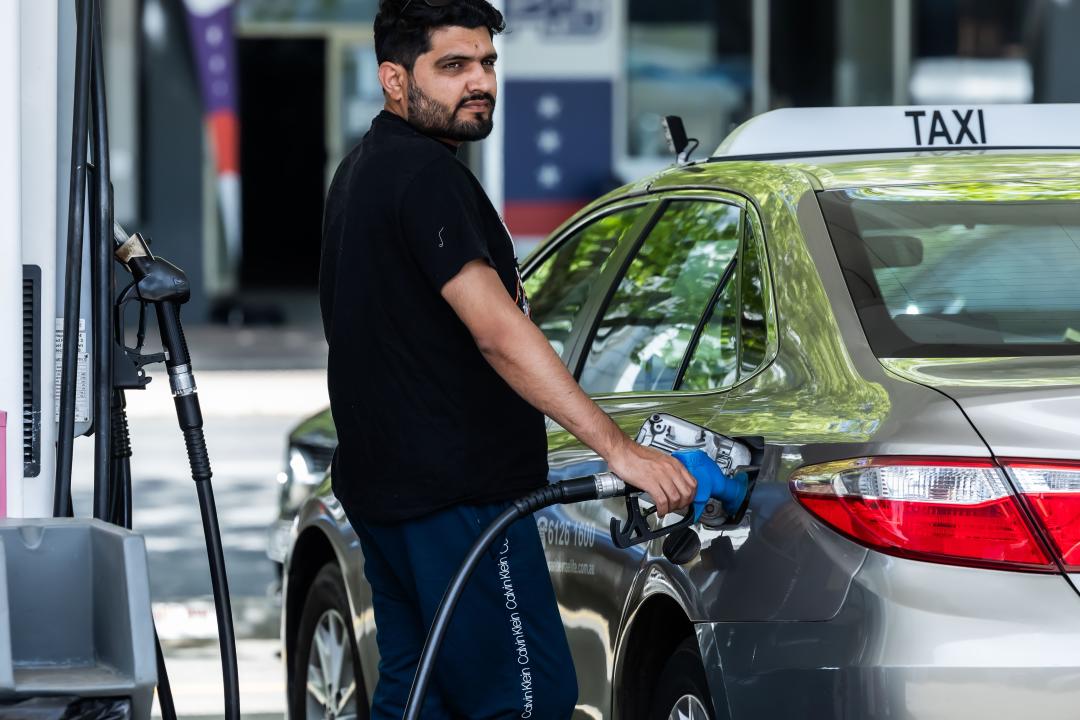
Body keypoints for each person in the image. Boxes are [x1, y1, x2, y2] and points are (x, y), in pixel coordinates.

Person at [319, 1, 697, 716]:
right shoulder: (426, 177)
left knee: (418, 697)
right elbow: (498, 331)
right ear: (395, 80)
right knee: (526, 700)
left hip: (390, 497)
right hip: (458, 504)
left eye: (487, 63)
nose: (479, 81)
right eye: (453, 66)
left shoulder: (362, 172)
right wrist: (619, 450)